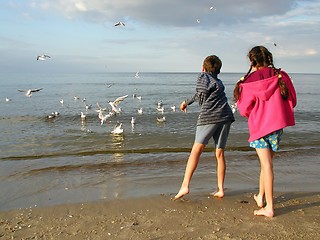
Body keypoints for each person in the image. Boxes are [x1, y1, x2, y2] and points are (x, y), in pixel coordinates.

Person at [233, 46, 297, 217]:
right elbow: (293, 99)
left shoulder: (248, 81)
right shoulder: (281, 75)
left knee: (266, 165)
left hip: (259, 126)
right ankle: (260, 196)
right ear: (269, 58)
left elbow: (244, 110)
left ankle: (269, 207)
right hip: (277, 125)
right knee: (266, 163)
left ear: (252, 60)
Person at [174, 55, 235, 200]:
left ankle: (185, 185)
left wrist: (189, 102)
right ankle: (220, 189)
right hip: (225, 115)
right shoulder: (218, 82)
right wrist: (186, 102)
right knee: (219, 153)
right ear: (218, 70)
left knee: (196, 150)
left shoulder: (203, 77)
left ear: (203, 68)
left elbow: (201, 93)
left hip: (210, 116)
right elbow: (200, 93)